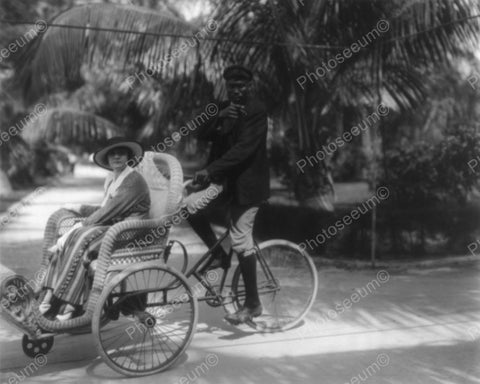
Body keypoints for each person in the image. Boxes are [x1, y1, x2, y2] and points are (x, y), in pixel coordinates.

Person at [185, 64, 270, 324]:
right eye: (232, 86)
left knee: (241, 240)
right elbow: (199, 133)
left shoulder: (257, 111)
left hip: (247, 186)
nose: (236, 91)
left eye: (241, 86)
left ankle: (253, 303)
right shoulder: (222, 106)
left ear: (249, 86)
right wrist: (220, 116)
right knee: (189, 206)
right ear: (227, 86)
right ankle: (218, 255)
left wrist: (209, 170)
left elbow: (243, 150)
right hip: (224, 182)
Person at [39, 137, 151, 321]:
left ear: (128, 157)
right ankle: (50, 295)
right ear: (107, 159)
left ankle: (68, 304)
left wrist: (79, 225)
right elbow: (105, 209)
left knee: (81, 238)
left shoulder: (133, 180)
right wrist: (78, 208)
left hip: (129, 231)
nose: (116, 157)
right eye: (112, 154)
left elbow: (109, 211)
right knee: (71, 239)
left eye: (121, 153)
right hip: (113, 226)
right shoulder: (113, 178)